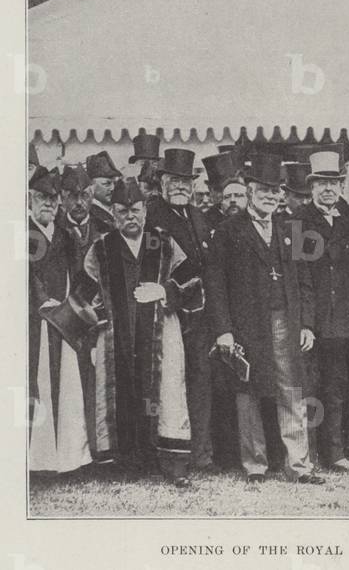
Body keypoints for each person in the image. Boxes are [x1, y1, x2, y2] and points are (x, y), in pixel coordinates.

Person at [204, 152, 324, 484]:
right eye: (264, 190)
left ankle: (299, 465)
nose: (271, 196)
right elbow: (216, 286)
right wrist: (224, 331)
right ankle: (254, 464)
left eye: (276, 191)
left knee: (292, 390)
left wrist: (308, 324)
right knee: (249, 392)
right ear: (250, 190)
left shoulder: (292, 228)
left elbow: (306, 281)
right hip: (247, 325)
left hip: (287, 321)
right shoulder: (227, 231)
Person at [74, 179, 201, 486]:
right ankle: (125, 461)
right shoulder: (102, 248)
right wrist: (97, 328)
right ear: (113, 213)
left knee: (165, 393)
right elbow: (82, 296)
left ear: (145, 210)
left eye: (136, 210)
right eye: (122, 211)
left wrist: (165, 290)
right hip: (115, 338)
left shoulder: (163, 242)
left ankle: (171, 463)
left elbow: (193, 281)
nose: (130, 217)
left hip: (161, 334)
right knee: (122, 394)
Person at [295, 154, 349, 470]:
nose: (327, 189)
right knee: (313, 388)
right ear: (312, 187)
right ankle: (314, 453)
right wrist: (305, 322)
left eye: (332, 183)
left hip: (344, 318)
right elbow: (299, 275)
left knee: (339, 386)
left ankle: (338, 451)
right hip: (315, 322)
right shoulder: (299, 220)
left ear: (339, 186)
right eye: (321, 183)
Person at [144, 148, 214, 472]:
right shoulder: (152, 215)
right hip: (168, 313)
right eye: (174, 180)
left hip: (199, 314)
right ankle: (170, 456)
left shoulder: (196, 215)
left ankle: (201, 455)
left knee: (201, 382)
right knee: (170, 386)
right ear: (161, 182)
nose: (181, 186)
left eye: (186, 181)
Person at [28, 166, 92, 475]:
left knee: (67, 386)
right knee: (35, 386)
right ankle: (37, 460)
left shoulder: (67, 237)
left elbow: (81, 276)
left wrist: (73, 308)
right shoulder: (25, 233)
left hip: (64, 322)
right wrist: (42, 302)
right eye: (42, 198)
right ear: (30, 199)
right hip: (35, 324)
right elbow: (27, 274)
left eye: (53, 199)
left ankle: (68, 458)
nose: (48, 205)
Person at [57, 164, 103, 274]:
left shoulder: (105, 228)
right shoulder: (55, 230)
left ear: (92, 197)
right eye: (73, 196)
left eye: (84, 195)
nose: (79, 202)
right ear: (63, 199)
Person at [85, 150, 122, 235]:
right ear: (91, 186)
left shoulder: (115, 208)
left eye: (115, 183)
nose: (113, 188)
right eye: (107, 184)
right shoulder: (89, 213)